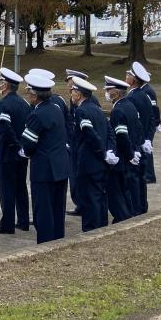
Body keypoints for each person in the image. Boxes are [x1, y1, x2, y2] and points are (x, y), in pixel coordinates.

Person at [20, 73, 69, 243]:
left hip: (43, 169)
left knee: (43, 209)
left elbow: (28, 143)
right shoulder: (56, 108)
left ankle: (45, 243)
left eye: (29, 93)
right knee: (58, 208)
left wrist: (26, 152)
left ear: (34, 95)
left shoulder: (36, 115)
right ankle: (58, 240)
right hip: (60, 166)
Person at [70, 76, 115, 232]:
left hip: (89, 162)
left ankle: (91, 228)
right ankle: (101, 225)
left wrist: (102, 151)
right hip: (101, 162)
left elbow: (90, 134)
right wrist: (109, 150)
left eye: (73, 91)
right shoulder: (97, 109)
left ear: (79, 94)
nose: (71, 94)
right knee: (100, 196)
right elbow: (109, 132)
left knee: (90, 198)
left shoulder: (81, 111)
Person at [0, 68, 31, 235]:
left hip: (8, 153)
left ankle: (7, 224)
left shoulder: (4, 104)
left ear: (5, 85)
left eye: (1, 82)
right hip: (21, 154)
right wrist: (23, 147)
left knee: (7, 190)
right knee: (21, 187)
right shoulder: (24, 103)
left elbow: (6, 128)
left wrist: (16, 146)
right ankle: (23, 220)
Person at [103, 76, 143, 221]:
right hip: (129, 156)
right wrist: (136, 150)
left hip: (122, 158)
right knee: (125, 190)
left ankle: (122, 217)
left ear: (117, 93)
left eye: (108, 90)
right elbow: (138, 130)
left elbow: (121, 136)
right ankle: (127, 214)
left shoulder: (118, 111)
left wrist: (130, 153)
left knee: (116, 191)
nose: (106, 92)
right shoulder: (130, 106)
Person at [64, 69, 99, 215]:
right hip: (75, 143)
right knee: (75, 177)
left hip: (83, 147)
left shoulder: (88, 102)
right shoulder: (75, 100)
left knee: (81, 178)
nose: (68, 85)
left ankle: (84, 205)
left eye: (70, 82)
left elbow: (90, 128)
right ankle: (80, 204)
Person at [125, 62, 154, 214]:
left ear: (134, 80)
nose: (126, 77)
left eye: (128, 75)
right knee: (141, 179)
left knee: (133, 180)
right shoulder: (145, 96)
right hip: (142, 143)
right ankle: (142, 206)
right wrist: (148, 140)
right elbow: (151, 121)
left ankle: (135, 209)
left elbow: (134, 125)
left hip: (135, 144)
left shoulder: (133, 98)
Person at [139, 66, 161, 183]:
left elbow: (154, 109)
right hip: (147, 123)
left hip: (148, 125)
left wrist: (156, 123)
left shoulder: (148, 91)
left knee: (147, 149)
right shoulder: (143, 90)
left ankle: (149, 175)